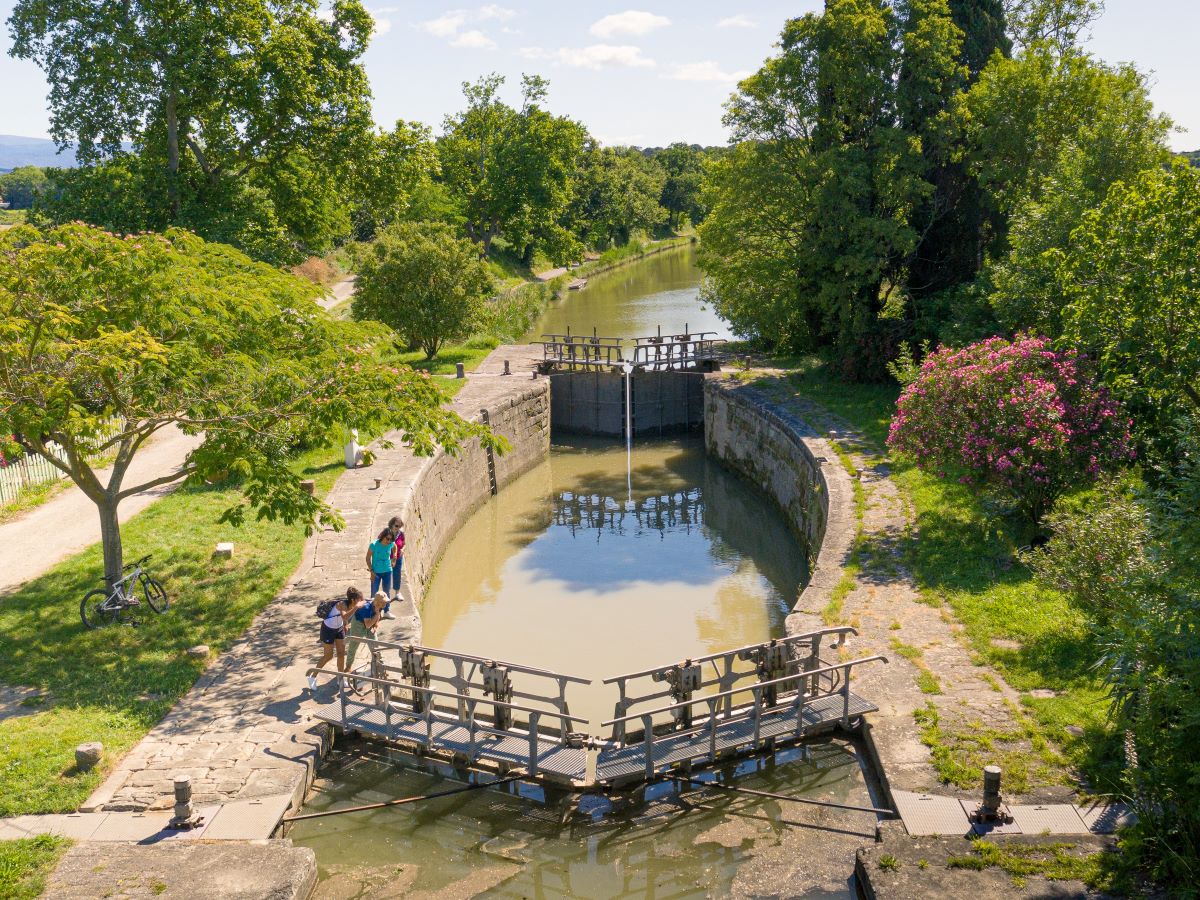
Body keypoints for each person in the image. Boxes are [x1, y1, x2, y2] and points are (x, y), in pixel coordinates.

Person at [308, 587, 364, 692]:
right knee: (328, 656)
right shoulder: (341, 604)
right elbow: (344, 616)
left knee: (341, 654)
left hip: (339, 629)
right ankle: (312, 676)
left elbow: (345, 618)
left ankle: (341, 679)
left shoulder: (352, 605)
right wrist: (356, 608)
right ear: (353, 600)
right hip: (328, 629)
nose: (362, 601)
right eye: (360, 599)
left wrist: (346, 624)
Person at [346, 590, 387, 690]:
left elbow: (377, 620)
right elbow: (367, 624)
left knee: (375, 647)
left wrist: (376, 627)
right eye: (384, 602)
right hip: (359, 624)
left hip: (370, 623)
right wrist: (376, 615)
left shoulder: (379, 606)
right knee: (353, 647)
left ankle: (379, 669)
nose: (385, 604)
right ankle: (347, 668)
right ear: (377, 602)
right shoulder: (366, 607)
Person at [365, 527, 394, 602]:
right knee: (374, 594)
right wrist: (371, 571)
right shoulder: (374, 545)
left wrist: (394, 558)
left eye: (391, 539)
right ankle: (373, 612)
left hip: (388, 571)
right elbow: (368, 558)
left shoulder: (391, 543)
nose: (389, 541)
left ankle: (387, 611)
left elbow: (395, 547)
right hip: (376, 573)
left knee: (387, 593)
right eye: (387, 538)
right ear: (383, 536)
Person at [386, 515, 406, 618]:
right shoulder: (386, 533)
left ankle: (397, 593)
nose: (398, 528)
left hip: (398, 558)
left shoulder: (401, 534)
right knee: (388, 576)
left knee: (397, 575)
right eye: (396, 526)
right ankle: (386, 596)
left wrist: (403, 549)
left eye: (399, 526)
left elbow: (404, 544)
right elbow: (378, 543)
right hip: (387, 559)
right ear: (392, 524)